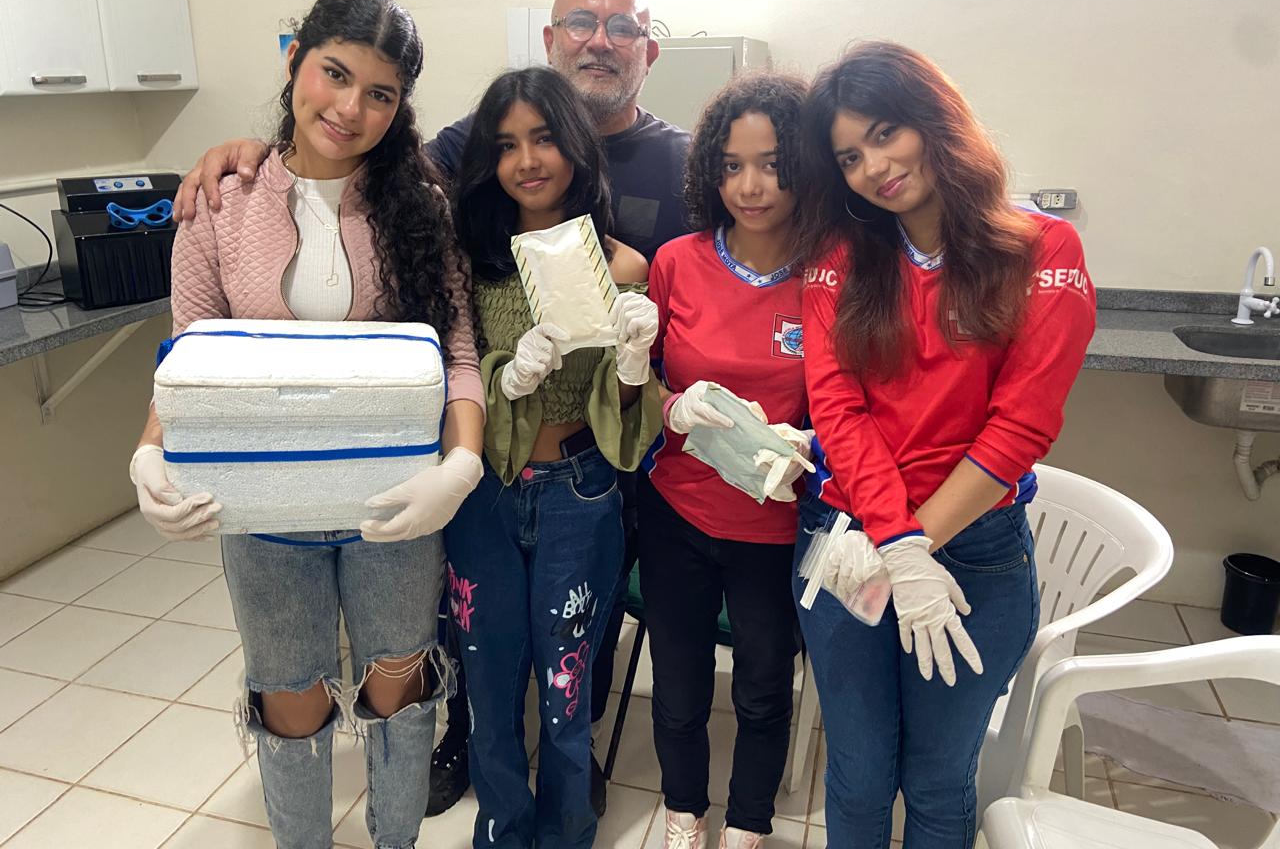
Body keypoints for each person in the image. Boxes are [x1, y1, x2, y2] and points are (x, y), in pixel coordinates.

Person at [170, 0, 691, 817]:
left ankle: (569, 785)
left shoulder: (678, 165)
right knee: (470, 655)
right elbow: (351, 155)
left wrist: (642, 366)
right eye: (580, 22)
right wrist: (247, 153)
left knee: (569, 662)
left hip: (589, 475)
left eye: (621, 26)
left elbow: (747, 237)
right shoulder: (452, 198)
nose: (527, 160)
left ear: (647, 46)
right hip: (453, 486)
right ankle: (478, 768)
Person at [127, 0, 487, 849]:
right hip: (261, 510)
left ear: (400, 105)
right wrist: (149, 453)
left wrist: (460, 464)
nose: (351, 108)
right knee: (288, 697)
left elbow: (459, 356)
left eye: (380, 93)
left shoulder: (419, 206)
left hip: (392, 505)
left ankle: (395, 838)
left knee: (398, 686)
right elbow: (189, 362)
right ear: (295, 61)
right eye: (335, 74)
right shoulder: (221, 202)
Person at [792, 41, 1095, 848]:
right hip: (851, 541)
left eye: (885, 134)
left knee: (937, 778)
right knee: (858, 772)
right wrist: (897, 546)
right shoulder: (838, 261)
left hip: (976, 557)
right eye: (849, 157)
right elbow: (838, 411)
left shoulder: (1040, 250)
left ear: (934, 120)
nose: (874, 168)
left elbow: (1022, 425)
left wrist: (917, 544)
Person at [444, 65, 663, 848]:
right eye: (506, 145)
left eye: (543, 139)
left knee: (567, 685)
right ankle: (502, 829)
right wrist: (507, 375)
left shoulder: (622, 267)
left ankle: (569, 830)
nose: (527, 161)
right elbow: (452, 378)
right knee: (489, 680)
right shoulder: (471, 264)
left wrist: (633, 364)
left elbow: (627, 420)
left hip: (581, 490)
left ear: (575, 146)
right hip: (485, 493)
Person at [642, 73, 812, 849]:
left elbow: (855, 401)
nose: (751, 186)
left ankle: (747, 826)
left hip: (775, 528)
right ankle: (684, 814)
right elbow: (636, 382)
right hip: (677, 512)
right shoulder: (676, 262)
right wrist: (669, 407)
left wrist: (813, 442)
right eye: (733, 165)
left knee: (763, 689)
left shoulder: (829, 275)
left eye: (773, 165)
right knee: (677, 688)